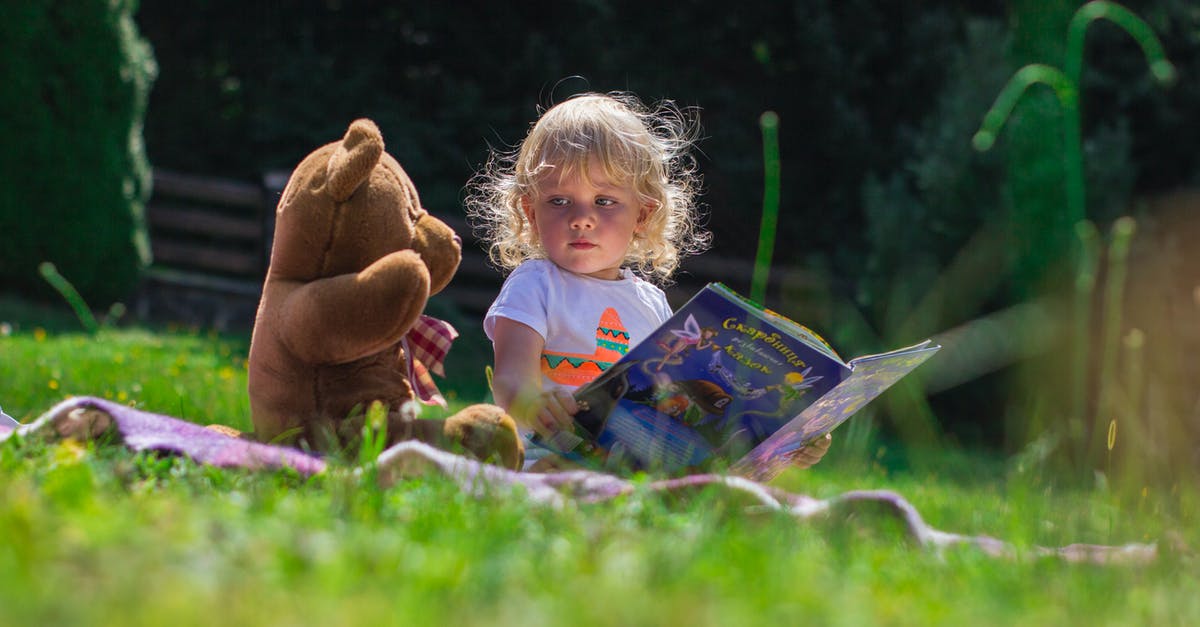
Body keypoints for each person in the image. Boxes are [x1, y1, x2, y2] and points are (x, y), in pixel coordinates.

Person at [467, 91, 830, 470]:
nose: (581, 218)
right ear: (530, 211)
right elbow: (510, 380)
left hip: (637, 466)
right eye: (559, 200)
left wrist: (790, 442)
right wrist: (533, 404)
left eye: (604, 201)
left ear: (643, 214)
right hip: (549, 454)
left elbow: (672, 399)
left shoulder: (651, 302)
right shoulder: (535, 284)